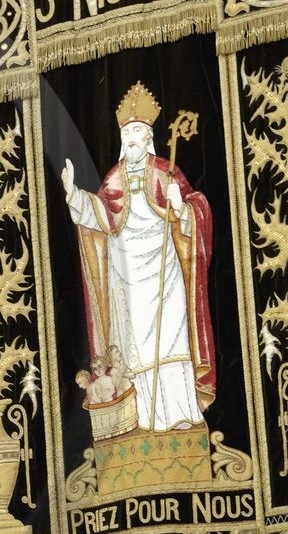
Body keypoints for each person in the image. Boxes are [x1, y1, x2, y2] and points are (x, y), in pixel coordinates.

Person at [60, 82, 216, 434]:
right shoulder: (113, 177)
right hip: (127, 277)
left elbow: (197, 210)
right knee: (137, 351)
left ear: (149, 137)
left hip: (166, 274)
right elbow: (100, 214)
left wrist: (180, 205)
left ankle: (181, 414)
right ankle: (144, 419)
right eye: (127, 132)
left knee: (172, 343)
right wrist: (74, 195)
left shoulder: (166, 171)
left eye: (138, 132)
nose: (131, 138)